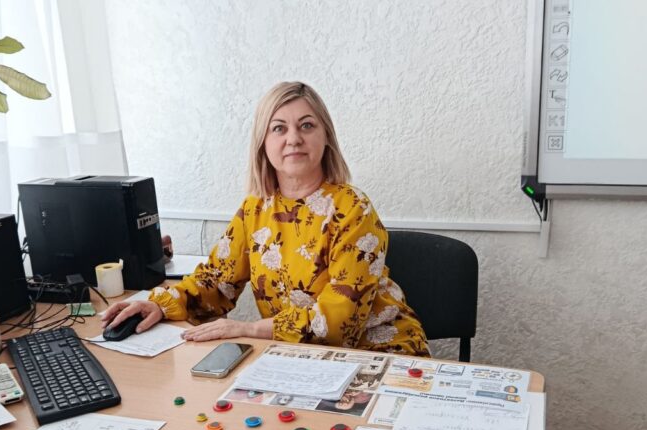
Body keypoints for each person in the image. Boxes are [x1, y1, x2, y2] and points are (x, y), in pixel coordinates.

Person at [102, 81, 429, 354]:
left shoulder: (353, 208)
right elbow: (217, 281)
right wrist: (160, 304)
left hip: (379, 353)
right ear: (263, 142)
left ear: (326, 136)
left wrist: (249, 329)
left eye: (307, 125)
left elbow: (340, 320)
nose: (294, 138)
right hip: (296, 355)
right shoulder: (255, 209)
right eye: (278, 128)